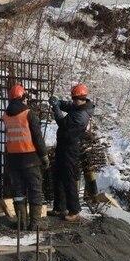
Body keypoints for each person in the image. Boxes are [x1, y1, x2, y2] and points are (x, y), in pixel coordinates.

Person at [3, 84, 50, 231]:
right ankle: (35, 224)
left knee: (18, 193)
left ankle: (21, 223)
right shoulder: (29, 114)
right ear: (23, 98)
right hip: (30, 159)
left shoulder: (5, 115)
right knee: (35, 191)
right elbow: (37, 137)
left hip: (13, 160)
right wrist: (44, 156)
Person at [50, 83, 94, 222]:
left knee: (68, 178)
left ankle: (74, 210)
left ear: (81, 98)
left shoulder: (81, 116)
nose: (73, 101)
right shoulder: (79, 106)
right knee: (58, 176)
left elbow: (62, 122)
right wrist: (59, 102)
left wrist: (56, 107)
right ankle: (59, 207)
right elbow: (68, 105)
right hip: (63, 146)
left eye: (75, 99)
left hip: (70, 148)